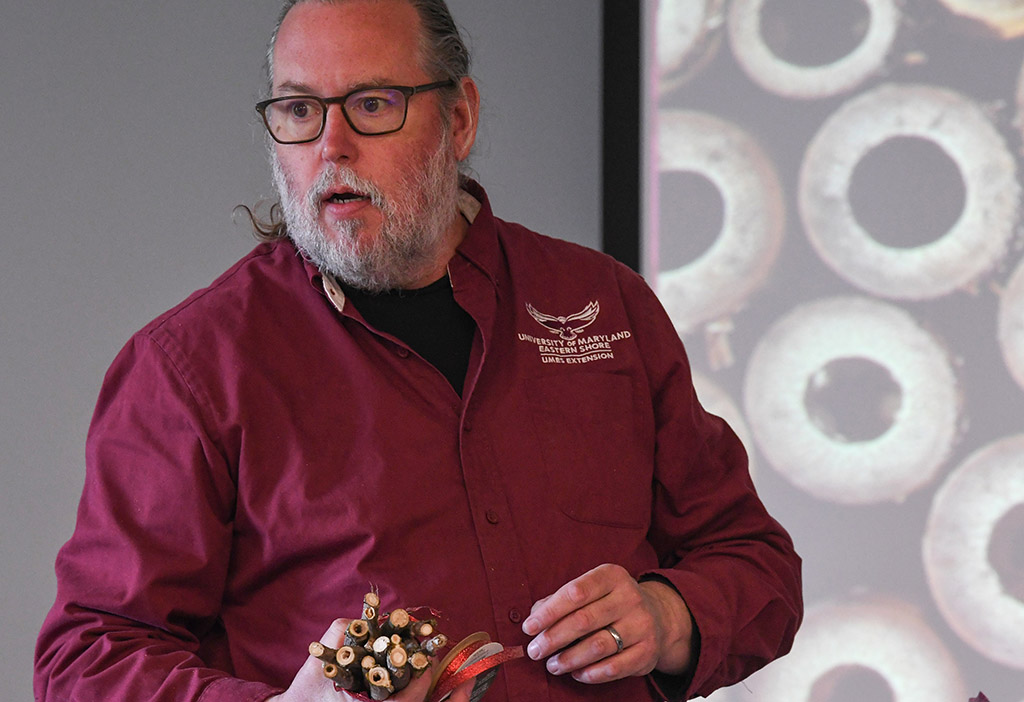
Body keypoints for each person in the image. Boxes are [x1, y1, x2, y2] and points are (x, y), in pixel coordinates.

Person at [34, 1, 802, 701]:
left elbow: (755, 560)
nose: (331, 146)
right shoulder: (191, 365)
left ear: (459, 118)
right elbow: (87, 658)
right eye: (300, 109)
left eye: (372, 105)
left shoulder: (605, 302)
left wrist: (670, 618)